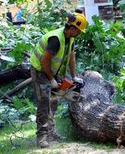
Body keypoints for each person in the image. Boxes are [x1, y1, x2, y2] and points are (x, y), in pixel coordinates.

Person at [29, 9, 88, 148]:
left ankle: (51, 132)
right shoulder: (56, 39)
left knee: (54, 101)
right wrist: (51, 80)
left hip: (53, 71)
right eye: (78, 30)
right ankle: (41, 137)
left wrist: (74, 76)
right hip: (40, 70)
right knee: (44, 102)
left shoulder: (70, 38)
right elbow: (44, 62)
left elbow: (71, 57)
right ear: (72, 28)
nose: (79, 34)